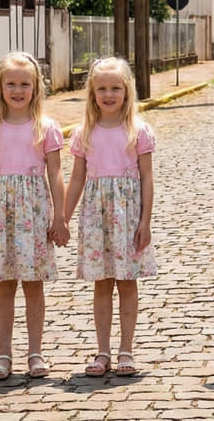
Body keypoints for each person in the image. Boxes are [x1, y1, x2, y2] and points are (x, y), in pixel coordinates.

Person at [0, 51, 67, 380]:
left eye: (24, 84)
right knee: (4, 285)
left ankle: (36, 352)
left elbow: (55, 174)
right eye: (11, 83)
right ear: (0, 87)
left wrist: (60, 217)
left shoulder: (46, 128)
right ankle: (3, 354)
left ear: (36, 87)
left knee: (33, 285)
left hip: (34, 214)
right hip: (1, 216)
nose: (17, 90)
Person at [63, 57, 157, 377]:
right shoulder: (84, 133)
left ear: (127, 91)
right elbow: (76, 179)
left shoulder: (138, 131)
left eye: (115, 88)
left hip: (128, 217)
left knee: (127, 283)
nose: (109, 94)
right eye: (102, 88)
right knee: (102, 284)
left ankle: (126, 349)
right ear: (92, 94)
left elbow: (146, 178)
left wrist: (145, 221)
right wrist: (63, 216)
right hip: (96, 218)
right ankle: (102, 350)